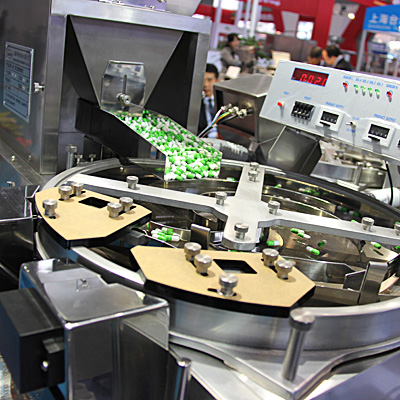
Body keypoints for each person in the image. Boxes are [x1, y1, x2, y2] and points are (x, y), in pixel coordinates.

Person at [197, 64, 219, 138]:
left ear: (217, 80)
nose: (205, 85)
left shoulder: (223, 101)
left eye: (209, 80)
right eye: (202, 80)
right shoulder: (195, 103)